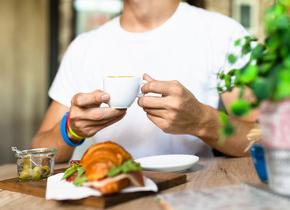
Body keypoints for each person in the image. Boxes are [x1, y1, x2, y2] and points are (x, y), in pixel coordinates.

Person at [31, 0, 258, 163]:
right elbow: (39, 153)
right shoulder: (83, 47)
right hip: (109, 202)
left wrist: (203, 121)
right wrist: (71, 129)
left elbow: (268, 139)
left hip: (194, 194)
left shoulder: (223, 34)